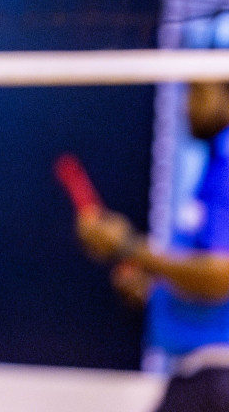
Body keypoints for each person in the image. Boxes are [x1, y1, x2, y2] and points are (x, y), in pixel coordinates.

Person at [77, 80, 229, 410]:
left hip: (216, 378)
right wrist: (153, 293)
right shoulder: (212, 170)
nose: (186, 106)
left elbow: (221, 276)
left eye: (198, 91)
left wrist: (129, 246)